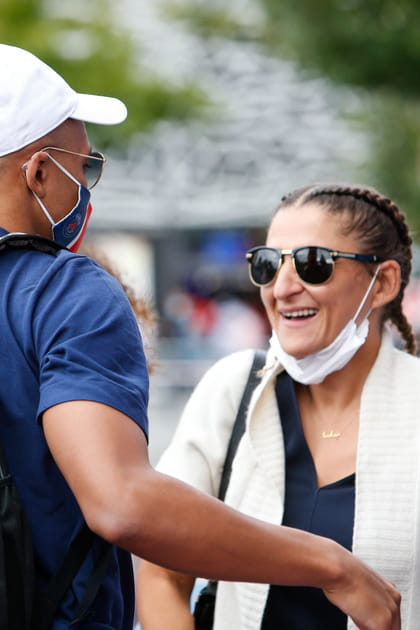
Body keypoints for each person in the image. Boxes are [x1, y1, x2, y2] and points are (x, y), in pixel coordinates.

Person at [0, 42, 400, 630]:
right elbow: (122, 503)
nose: (86, 187)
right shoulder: (62, 292)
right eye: (82, 167)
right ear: (38, 170)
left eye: (312, 263)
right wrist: (333, 565)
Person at [137, 183, 420, 629]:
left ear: (382, 282)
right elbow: (160, 565)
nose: (282, 288)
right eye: (267, 265)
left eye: (313, 264)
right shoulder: (234, 390)